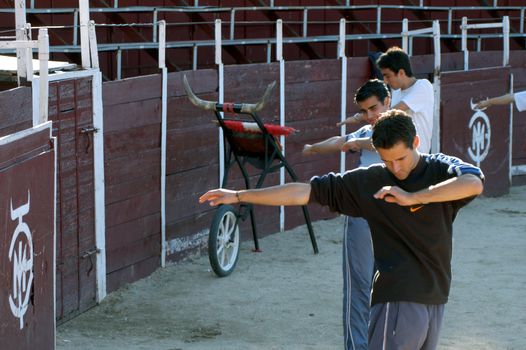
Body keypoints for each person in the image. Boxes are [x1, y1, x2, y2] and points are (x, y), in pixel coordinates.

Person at [199, 110, 484, 350]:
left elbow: (474, 183)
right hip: (396, 297)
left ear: (416, 142)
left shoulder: (441, 169)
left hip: (436, 297)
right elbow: (303, 192)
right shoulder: (370, 181)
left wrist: (415, 197)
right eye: (387, 161)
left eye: (401, 159)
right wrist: (238, 195)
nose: (395, 168)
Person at [303, 79, 390, 350]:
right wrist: (313, 148)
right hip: (363, 214)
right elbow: (340, 142)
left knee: (389, 284)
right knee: (359, 284)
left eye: (374, 108)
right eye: (364, 112)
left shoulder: (401, 129)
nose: (370, 116)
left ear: (388, 101)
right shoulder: (366, 130)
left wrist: (356, 142)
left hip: (395, 217)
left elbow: (381, 143)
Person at [376, 46, 434, 153]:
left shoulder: (423, 86)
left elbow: (392, 113)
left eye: (388, 76)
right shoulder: (396, 91)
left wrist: (362, 117)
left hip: (418, 157)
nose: (385, 81)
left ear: (401, 73)